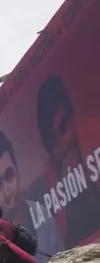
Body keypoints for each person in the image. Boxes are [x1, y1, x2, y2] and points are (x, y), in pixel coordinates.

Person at [36, 75, 100, 248]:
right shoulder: (51, 183)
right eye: (53, 140)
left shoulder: (94, 137)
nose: (63, 144)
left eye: (64, 127)